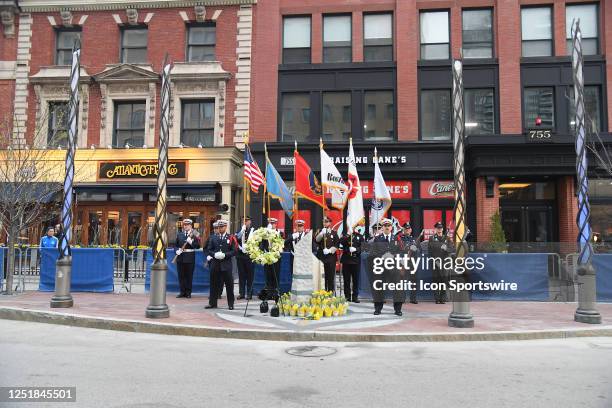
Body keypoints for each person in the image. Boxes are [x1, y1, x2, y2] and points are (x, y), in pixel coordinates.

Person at [371, 218, 404, 316]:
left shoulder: (397, 238)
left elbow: (401, 252)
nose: (387, 227)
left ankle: (398, 309)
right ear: (382, 227)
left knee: (398, 288)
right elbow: (373, 252)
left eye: (389, 226)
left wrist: (393, 257)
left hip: (393, 267)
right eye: (385, 226)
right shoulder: (377, 238)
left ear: (391, 227)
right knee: (379, 288)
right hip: (381, 267)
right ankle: (378, 308)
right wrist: (382, 256)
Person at [205, 219, 237, 310]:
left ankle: (231, 304)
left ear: (226, 227)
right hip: (215, 264)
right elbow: (208, 249)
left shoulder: (230, 237)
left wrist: (225, 255)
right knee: (213, 284)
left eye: (222, 227)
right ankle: (212, 303)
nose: (220, 228)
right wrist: (214, 254)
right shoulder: (213, 237)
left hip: (226, 265)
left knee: (229, 285)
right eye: (219, 227)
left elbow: (234, 251)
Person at [396, 222, 423, 304]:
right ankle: (402, 297)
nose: (407, 230)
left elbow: (420, 250)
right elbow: (396, 250)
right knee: (402, 281)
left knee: (414, 281)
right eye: (406, 229)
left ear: (410, 230)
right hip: (403, 262)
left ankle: (413, 298)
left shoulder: (414, 239)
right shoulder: (399, 238)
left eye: (408, 229)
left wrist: (416, 249)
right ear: (403, 229)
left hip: (412, 263)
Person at [175, 219, 201, 299]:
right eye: (184, 225)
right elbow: (176, 245)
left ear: (190, 225)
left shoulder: (195, 233)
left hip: (189, 257)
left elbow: (198, 246)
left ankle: (188, 292)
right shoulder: (179, 234)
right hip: (181, 257)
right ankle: (182, 292)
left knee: (189, 276)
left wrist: (191, 242)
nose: (185, 226)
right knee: (181, 276)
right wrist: (176, 251)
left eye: (187, 225)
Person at [428, 221, 452, 304]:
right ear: (435, 229)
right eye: (438, 228)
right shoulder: (431, 238)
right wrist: (435, 261)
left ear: (443, 229)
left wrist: (446, 249)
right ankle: (437, 298)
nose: (439, 229)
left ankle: (442, 298)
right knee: (436, 281)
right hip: (435, 263)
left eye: (441, 228)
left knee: (444, 280)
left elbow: (452, 249)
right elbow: (429, 252)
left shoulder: (447, 238)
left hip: (444, 263)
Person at [315, 216, 340, 292]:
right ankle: (323, 291)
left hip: (331, 257)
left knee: (330, 276)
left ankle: (330, 292)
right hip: (322, 257)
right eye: (324, 222)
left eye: (326, 222)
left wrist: (330, 250)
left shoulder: (334, 233)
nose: (325, 223)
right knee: (323, 276)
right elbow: (316, 240)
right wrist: (322, 233)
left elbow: (337, 244)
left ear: (330, 223)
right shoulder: (320, 231)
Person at [339, 226, 364, 303]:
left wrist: (356, 249)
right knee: (346, 280)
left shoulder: (359, 236)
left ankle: (355, 297)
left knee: (355, 280)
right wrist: (348, 235)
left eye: (354, 227)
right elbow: (341, 242)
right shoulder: (345, 235)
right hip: (346, 260)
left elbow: (363, 247)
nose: (352, 228)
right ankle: (347, 297)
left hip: (355, 261)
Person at [235, 216, 254, 300]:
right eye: (244, 221)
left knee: (250, 276)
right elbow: (236, 238)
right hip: (240, 256)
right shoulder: (239, 231)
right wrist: (242, 230)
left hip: (250, 256)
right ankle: (241, 293)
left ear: (250, 222)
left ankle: (249, 293)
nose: (245, 222)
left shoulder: (253, 231)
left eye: (247, 221)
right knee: (241, 275)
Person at [263, 217, 283, 291]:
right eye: (271, 224)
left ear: (276, 224)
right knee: (268, 274)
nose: (272, 225)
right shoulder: (265, 233)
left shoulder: (279, 233)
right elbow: (263, 244)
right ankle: (269, 290)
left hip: (275, 257)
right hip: (267, 256)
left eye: (274, 224)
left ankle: (276, 290)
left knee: (275, 274)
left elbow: (281, 243)